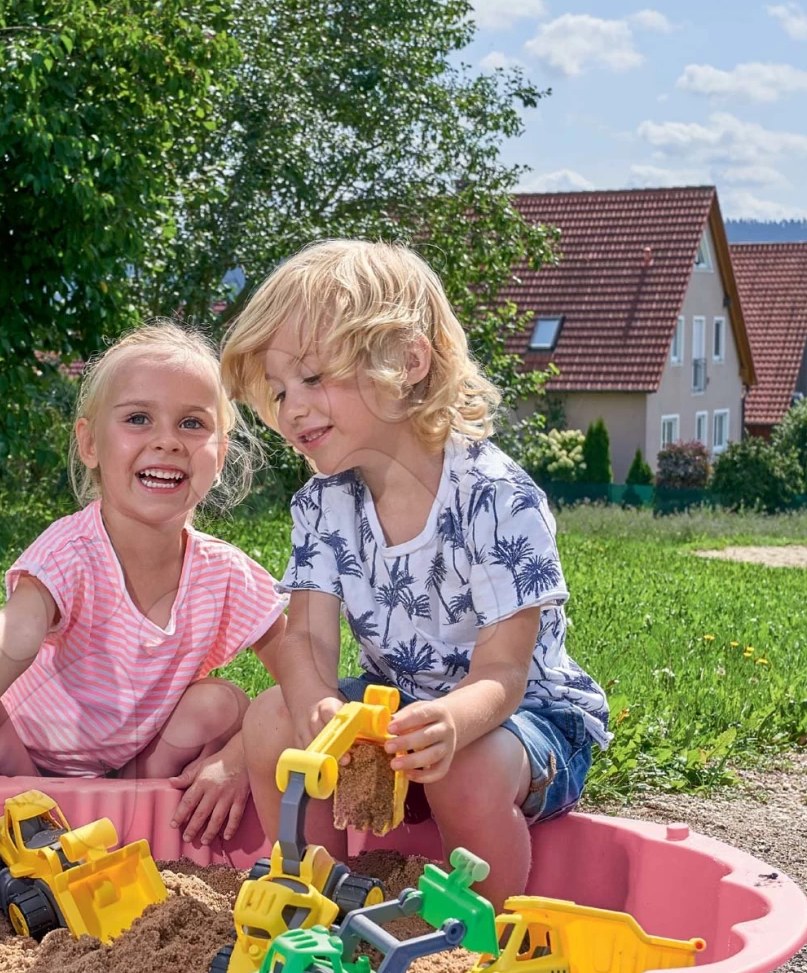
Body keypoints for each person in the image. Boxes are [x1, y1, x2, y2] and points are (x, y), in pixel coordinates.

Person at [220, 240, 609, 898]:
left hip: (523, 724)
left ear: (406, 362)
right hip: (398, 719)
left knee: (466, 770)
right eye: (280, 391)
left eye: (314, 379)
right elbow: (307, 640)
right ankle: (321, 896)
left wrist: (453, 724)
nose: (292, 409)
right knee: (270, 722)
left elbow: (504, 674)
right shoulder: (325, 502)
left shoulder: (493, 497)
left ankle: (480, 934)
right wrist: (314, 701)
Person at [0, 323, 286, 847]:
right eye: (139, 419)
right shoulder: (73, 552)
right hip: (21, 756)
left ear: (221, 451)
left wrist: (237, 759)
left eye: (192, 423)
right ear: (90, 442)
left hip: (134, 764)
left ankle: (137, 813)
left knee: (225, 704)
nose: (166, 440)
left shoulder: (225, 572)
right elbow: (12, 632)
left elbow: (299, 673)